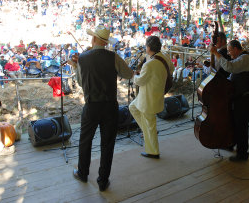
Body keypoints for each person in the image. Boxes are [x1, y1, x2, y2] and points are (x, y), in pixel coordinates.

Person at [71, 26, 133, 192]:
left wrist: (75, 66)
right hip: (110, 106)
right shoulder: (114, 57)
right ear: (105, 42)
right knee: (107, 144)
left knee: (85, 141)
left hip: (91, 106)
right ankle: (103, 181)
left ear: (94, 39)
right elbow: (128, 74)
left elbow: (79, 81)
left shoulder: (83, 57)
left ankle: (83, 173)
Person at [210, 40, 249, 162]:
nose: (229, 54)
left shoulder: (245, 58)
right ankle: (230, 143)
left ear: (236, 49)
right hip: (239, 98)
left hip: (245, 99)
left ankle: (242, 154)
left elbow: (230, 67)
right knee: (235, 123)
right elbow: (231, 78)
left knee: (241, 126)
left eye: (230, 51)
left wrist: (216, 53)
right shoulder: (239, 60)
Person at [129, 36, 174, 159]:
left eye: (145, 46)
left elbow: (140, 81)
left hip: (148, 98)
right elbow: (171, 69)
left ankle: (153, 152)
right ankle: (148, 132)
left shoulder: (149, 64)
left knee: (150, 124)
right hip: (155, 94)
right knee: (132, 107)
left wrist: (134, 76)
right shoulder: (164, 56)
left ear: (149, 47)